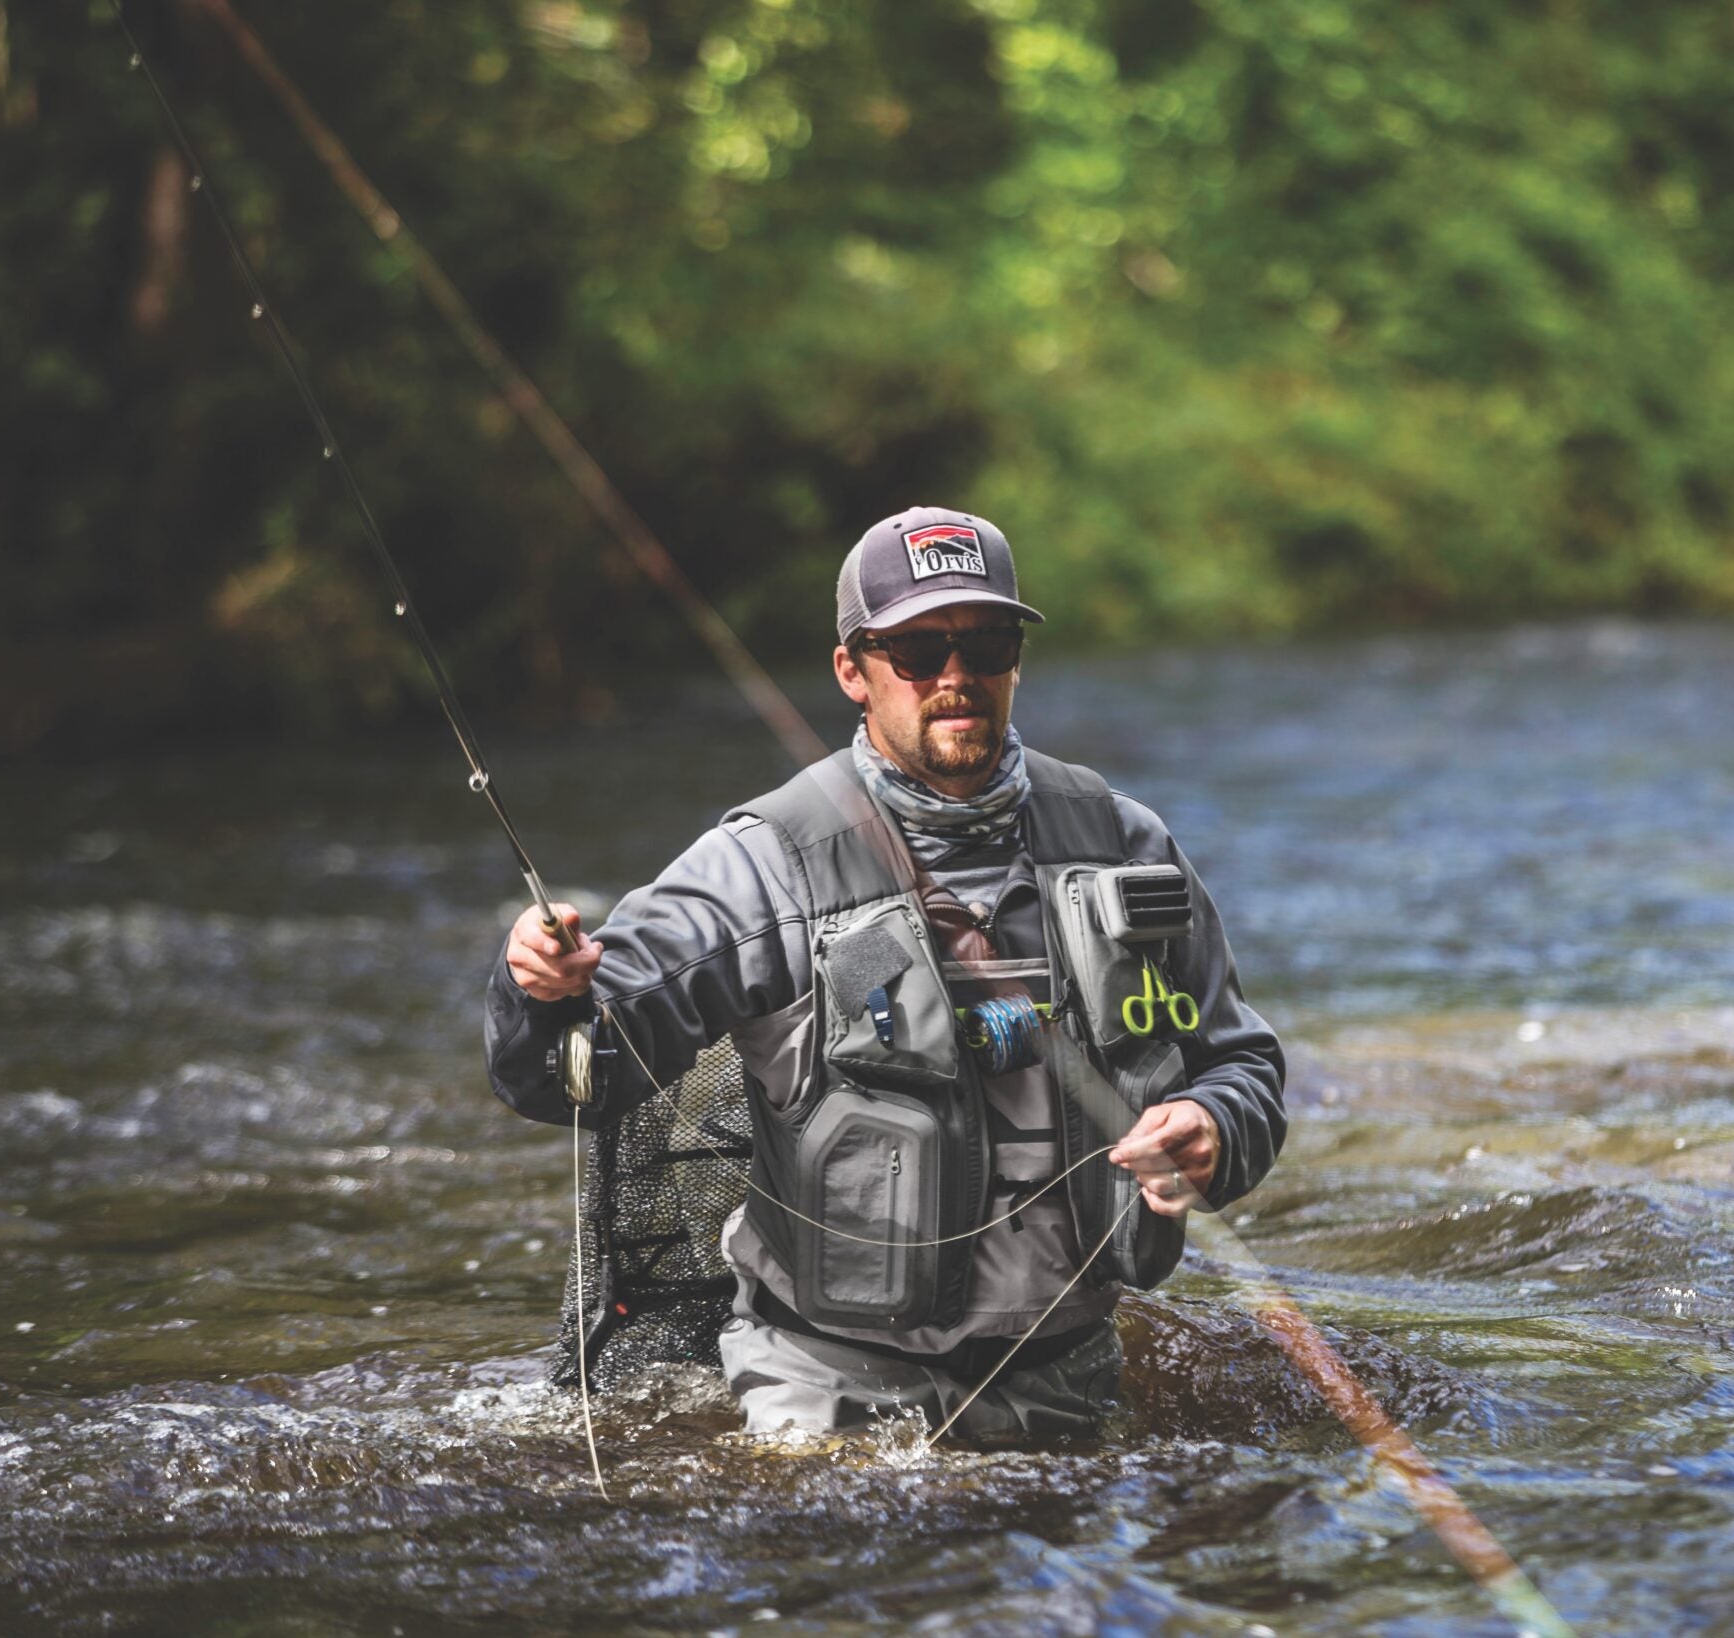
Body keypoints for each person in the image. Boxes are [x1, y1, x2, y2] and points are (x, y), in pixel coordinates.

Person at [484, 506, 1287, 1442]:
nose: (957, 678)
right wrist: (541, 993)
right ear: (852, 672)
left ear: (1015, 661)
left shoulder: (1125, 843)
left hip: (1070, 1376)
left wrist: (1211, 1128)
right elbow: (573, 1077)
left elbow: (1246, 1070)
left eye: (984, 643)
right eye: (916, 651)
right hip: (825, 1389)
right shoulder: (762, 864)